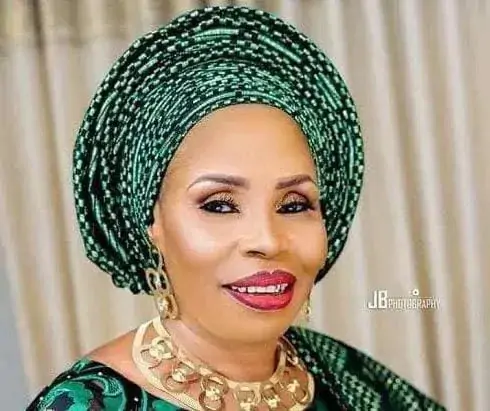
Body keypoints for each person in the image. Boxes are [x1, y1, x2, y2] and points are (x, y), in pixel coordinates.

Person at [27, 6, 445, 411]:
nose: (267, 240)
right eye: (220, 205)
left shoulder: (350, 380)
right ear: (151, 222)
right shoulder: (86, 404)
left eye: (294, 204)